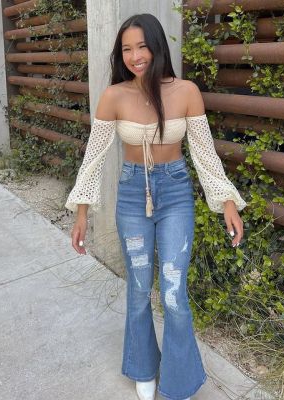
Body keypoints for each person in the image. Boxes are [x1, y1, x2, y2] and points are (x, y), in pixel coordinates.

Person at [65, 13, 247, 400]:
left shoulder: (186, 91)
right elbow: (93, 158)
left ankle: (179, 380)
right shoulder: (114, 96)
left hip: (176, 193)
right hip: (133, 194)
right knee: (137, 288)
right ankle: (143, 366)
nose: (135, 56)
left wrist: (227, 201)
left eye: (142, 46)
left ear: (157, 46)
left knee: (173, 292)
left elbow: (204, 154)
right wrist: (81, 213)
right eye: (127, 49)